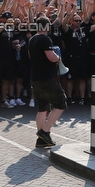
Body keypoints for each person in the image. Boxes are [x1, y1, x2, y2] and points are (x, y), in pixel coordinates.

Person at [28, 17, 67, 148]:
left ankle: (41, 139)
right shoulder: (45, 39)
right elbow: (51, 57)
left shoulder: (32, 39)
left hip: (35, 77)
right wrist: (58, 58)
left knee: (42, 107)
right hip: (47, 78)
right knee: (61, 103)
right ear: (45, 27)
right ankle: (45, 132)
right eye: (48, 25)